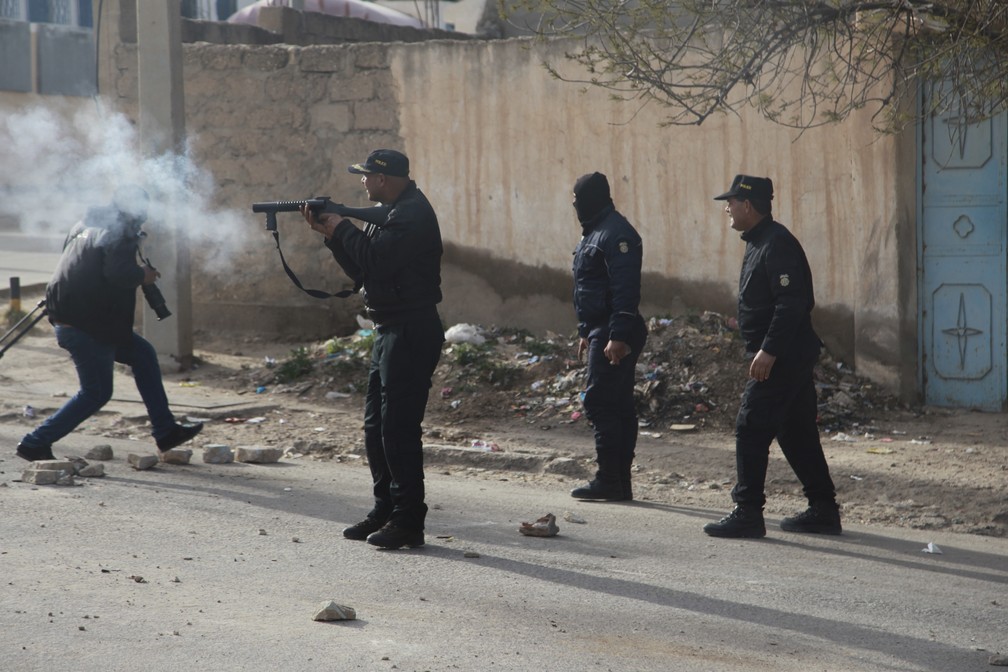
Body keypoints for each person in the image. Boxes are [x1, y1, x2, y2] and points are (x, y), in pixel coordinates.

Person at [302, 149, 444, 550]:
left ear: (383, 179)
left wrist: (343, 227)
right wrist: (334, 236)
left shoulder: (410, 214)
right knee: (376, 428)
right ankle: (386, 509)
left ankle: (408, 520)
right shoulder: (392, 214)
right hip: (389, 328)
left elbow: (378, 263)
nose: (362, 182)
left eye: (367, 177)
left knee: (398, 429)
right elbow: (364, 270)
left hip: (410, 329)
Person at [15, 186, 203, 462]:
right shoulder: (120, 230)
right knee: (96, 392)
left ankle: (165, 431)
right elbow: (118, 273)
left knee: (143, 354)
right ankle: (35, 442)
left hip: (78, 318)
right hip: (87, 324)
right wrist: (144, 275)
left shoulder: (85, 225)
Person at [704, 174, 841, 538]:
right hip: (785, 353)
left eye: (731, 203)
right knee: (796, 433)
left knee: (750, 426)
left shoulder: (776, 243)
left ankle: (747, 512)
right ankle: (824, 509)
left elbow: (792, 303)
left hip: (784, 355)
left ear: (747, 205)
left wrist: (769, 350)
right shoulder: (759, 241)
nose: (727, 210)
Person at [568, 172, 648, 501]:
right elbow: (589, 287)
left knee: (602, 402)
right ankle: (618, 482)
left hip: (615, 329)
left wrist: (618, 334)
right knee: (617, 404)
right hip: (602, 329)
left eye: (577, 199)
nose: (574, 205)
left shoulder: (617, 234)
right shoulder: (595, 233)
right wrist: (586, 331)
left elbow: (625, 290)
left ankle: (609, 479)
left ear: (592, 198)